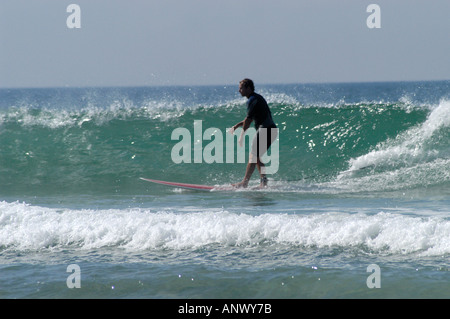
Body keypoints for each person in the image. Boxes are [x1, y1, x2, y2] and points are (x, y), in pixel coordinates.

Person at [231, 79, 277, 188]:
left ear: (248, 88)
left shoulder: (252, 100)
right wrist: (238, 125)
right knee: (256, 156)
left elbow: (248, 120)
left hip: (266, 130)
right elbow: (249, 119)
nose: (239, 90)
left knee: (254, 156)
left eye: (241, 88)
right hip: (270, 130)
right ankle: (263, 181)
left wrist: (241, 135)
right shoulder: (256, 98)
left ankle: (245, 182)